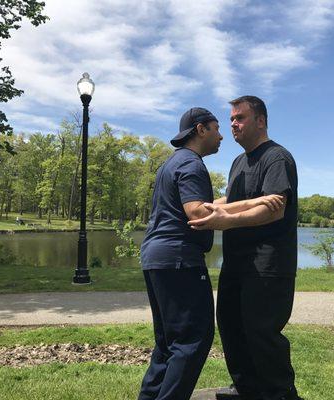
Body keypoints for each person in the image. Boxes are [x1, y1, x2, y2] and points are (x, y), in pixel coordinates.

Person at [138, 107, 285, 400]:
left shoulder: (173, 163)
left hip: (157, 257)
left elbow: (197, 202)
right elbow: (195, 212)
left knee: (168, 343)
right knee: (193, 340)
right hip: (179, 260)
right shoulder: (192, 164)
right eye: (217, 128)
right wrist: (253, 203)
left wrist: (236, 201)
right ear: (200, 129)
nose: (222, 135)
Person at [189, 96, 300, 400]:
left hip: (268, 265)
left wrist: (227, 222)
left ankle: (280, 395)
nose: (233, 125)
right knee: (231, 327)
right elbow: (236, 200)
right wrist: (210, 208)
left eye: (240, 118)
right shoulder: (239, 162)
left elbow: (275, 208)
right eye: (231, 120)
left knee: (261, 334)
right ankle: (247, 389)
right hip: (236, 264)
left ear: (260, 121)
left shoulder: (276, 157)